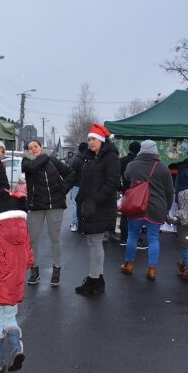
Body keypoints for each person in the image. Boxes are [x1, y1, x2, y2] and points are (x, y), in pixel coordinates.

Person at [0, 189, 33, 372]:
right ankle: (16, 348)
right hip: (15, 287)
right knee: (10, 318)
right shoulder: (25, 234)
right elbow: (29, 260)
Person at [74, 124, 120, 295]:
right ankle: (97, 280)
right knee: (93, 243)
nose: (90, 142)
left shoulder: (111, 158)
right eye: (89, 139)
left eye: (93, 139)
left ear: (101, 140)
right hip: (90, 207)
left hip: (100, 207)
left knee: (94, 244)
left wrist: (96, 199)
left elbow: (112, 182)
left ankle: (94, 280)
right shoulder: (91, 157)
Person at [21, 138, 75, 285]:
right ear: (27, 151)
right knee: (33, 240)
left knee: (55, 239)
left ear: (41, 147)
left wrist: (63, 190)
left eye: (36, 146)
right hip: (35, 205)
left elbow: (71, 173)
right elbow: (32, 167)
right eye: (30, 147)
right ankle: (34, 270)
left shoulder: (52, 161)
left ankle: (56, 269)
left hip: (54, 205)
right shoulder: (26, 162)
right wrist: (44, 156)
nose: (33, 149)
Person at [120, 140, 174, 281]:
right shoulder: (163, 167)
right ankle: (151, 270)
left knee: (132, 235)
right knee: (154, 238)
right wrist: (167, 208)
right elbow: (169, 191)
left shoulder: (132, 165)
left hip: (136, 206)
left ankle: (129, 265)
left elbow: (126, 176)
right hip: (157, 208)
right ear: (155, 151)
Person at [167, 189, 188, 281]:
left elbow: (172, 221)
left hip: (185, 239)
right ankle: (183, 264)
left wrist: (166, 218)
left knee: (187, 254)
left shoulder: (180, 214)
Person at [118, 141, 141, 245]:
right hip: (137, 190)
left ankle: (123, 237)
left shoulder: (122, 160)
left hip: (126, 189)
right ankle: (135, 238)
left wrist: (120, 187)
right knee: (137, 215)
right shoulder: (139, 162)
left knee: (125, 214)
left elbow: (116, 176)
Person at [69, 142, 88, 232]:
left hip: (76, 185)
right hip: (88, 185)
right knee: (86, 205)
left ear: (79, 149)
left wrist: (70, 185)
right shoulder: (90, 158)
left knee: (75, 205)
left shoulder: (76, 159)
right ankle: (84, 225)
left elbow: (72, 173)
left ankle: (74, 224)